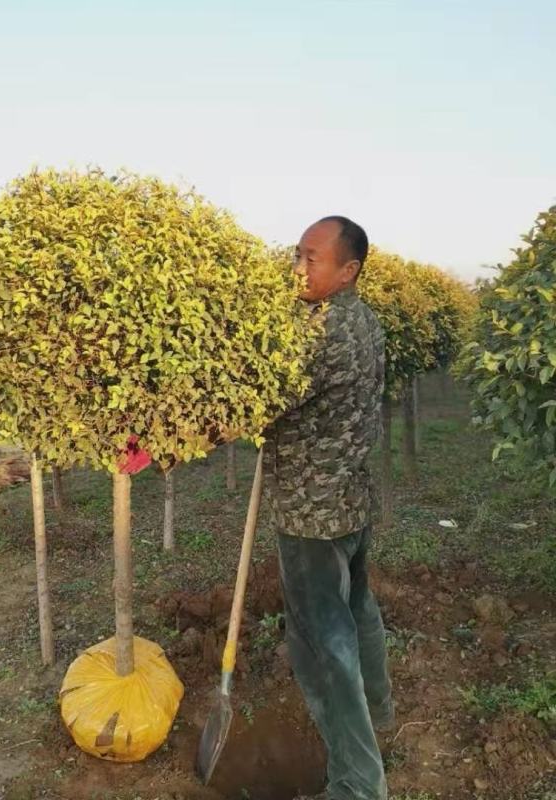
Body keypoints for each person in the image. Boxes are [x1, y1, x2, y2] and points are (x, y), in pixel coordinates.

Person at [262, 216, 394, 800]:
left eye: (312, 258)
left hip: (311, 513)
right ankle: (380, 715)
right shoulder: (368, 322)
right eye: (298, 254)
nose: (299, 266)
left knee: (323, 643)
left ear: (348, 271)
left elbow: (260, 400)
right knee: (358, 612)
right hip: (350, 500)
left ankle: (356, 783)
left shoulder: (317, 333)